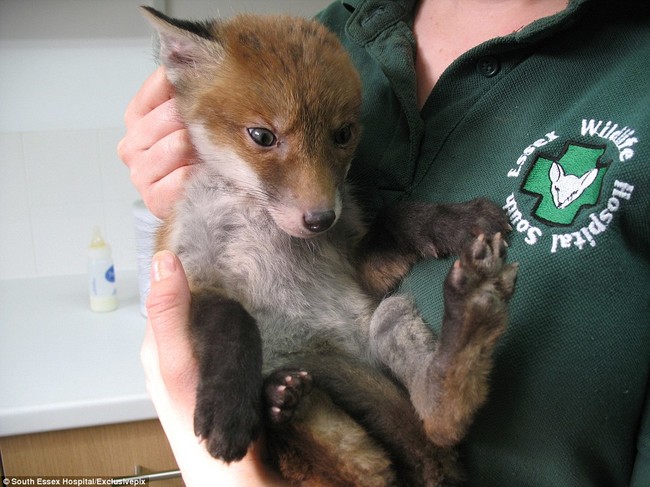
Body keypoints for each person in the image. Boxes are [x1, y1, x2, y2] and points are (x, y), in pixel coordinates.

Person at [119, 0, 650, 485]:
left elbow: (359, 256)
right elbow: (192, 300)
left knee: (390, 322)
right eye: (264, 137)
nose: (318, 202)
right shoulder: (338, 30)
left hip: (385, 406)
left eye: (344, 137)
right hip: (322, 411)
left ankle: (431, 393)